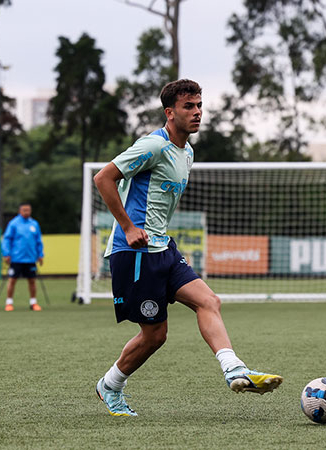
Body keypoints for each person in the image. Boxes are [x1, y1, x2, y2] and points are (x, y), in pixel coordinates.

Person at [92, 79, 283, 417]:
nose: (197, 113)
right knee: (154, 336)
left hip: (163, 248)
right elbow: (104, 178)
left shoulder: (188, 151)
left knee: (208, 301)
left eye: (199, 106)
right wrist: (127, 226)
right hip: (134, 253)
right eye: (188, 107)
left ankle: (234, 369)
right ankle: (110, 385)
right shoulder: (152, 145)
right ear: (170, 112)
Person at [1, 203, 44, 311]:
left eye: (28, 210)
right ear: (20, 211)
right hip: (16, 258)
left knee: (32, 280)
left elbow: (39, 241)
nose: (26, 212)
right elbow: (7, 239)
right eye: (24, 210)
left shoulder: (34, 224)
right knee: (12, 280)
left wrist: (40, 254)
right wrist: (6, 253)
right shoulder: (13, 223)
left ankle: (33, 302)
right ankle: (9, 302)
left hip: (30, 258)